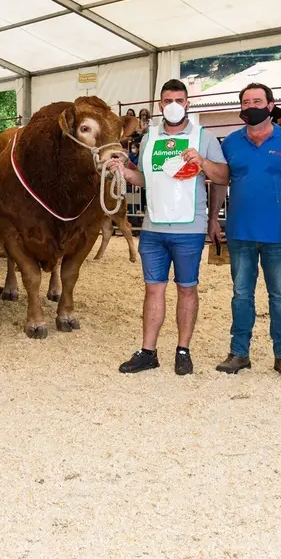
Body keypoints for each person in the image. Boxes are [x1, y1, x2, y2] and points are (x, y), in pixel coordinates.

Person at [112, 79, 229, 375]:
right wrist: (123, 172)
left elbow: (223, 176)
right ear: (160, 104)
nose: (173, 105)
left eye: (179, 99)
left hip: (189, 227)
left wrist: (202, 162)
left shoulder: (204, 137)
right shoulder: (149, 138)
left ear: (188, 103)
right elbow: (145, 178)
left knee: (187, 289)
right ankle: (148, 351)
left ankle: (182, 349)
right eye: (167, 100)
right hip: (153, 227)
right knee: (153, 290)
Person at [215, 82, 281, 380]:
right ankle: (239, 352)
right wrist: (213, 218)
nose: (251, 106)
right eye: (246, 102)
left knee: (280, 296)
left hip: (278, 233)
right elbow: (221, 181)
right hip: (240, 230)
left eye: (257, 101)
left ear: (271, 106)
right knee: (241, 294)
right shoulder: (230, 142)